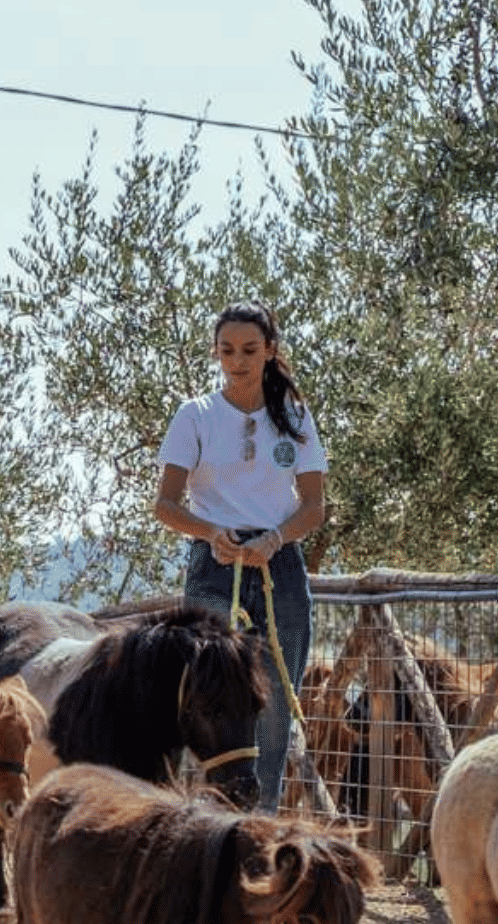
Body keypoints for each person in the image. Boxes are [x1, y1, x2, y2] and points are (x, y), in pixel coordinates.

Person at [154, 300, 328, 813]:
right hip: (215, 566)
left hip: (280, 568)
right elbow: (165, 504)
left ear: (270, 350)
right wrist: (212, 532)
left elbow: (314, 507)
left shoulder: (294, 417)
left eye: (250, 350)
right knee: (209, 695)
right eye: (227, 350)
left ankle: (262, 820)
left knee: (276, 701)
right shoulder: (195, 416)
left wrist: (274, 540)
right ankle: (204, 819)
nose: (238, 361)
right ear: (215, 352)